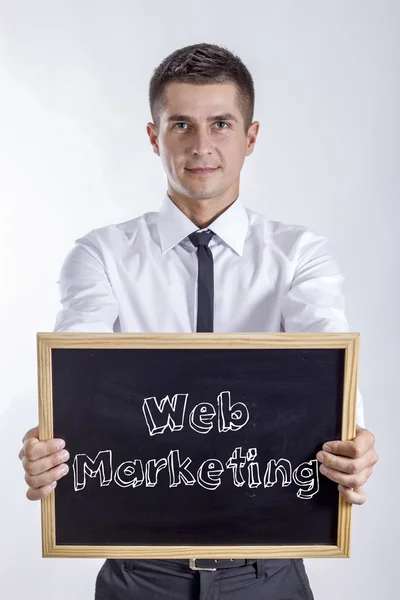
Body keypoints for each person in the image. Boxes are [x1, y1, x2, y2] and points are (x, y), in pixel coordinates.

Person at [18, 43, 378, 599]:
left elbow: (328, 357)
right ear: (153, 136)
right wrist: (49, 440)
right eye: (181, 124)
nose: (201, 145)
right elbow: (74, 376)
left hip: (268, 574)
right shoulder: (101, 256)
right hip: (141, 575)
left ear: (251, 137)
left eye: (221, 124)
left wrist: (354, 438)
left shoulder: (300, 256)